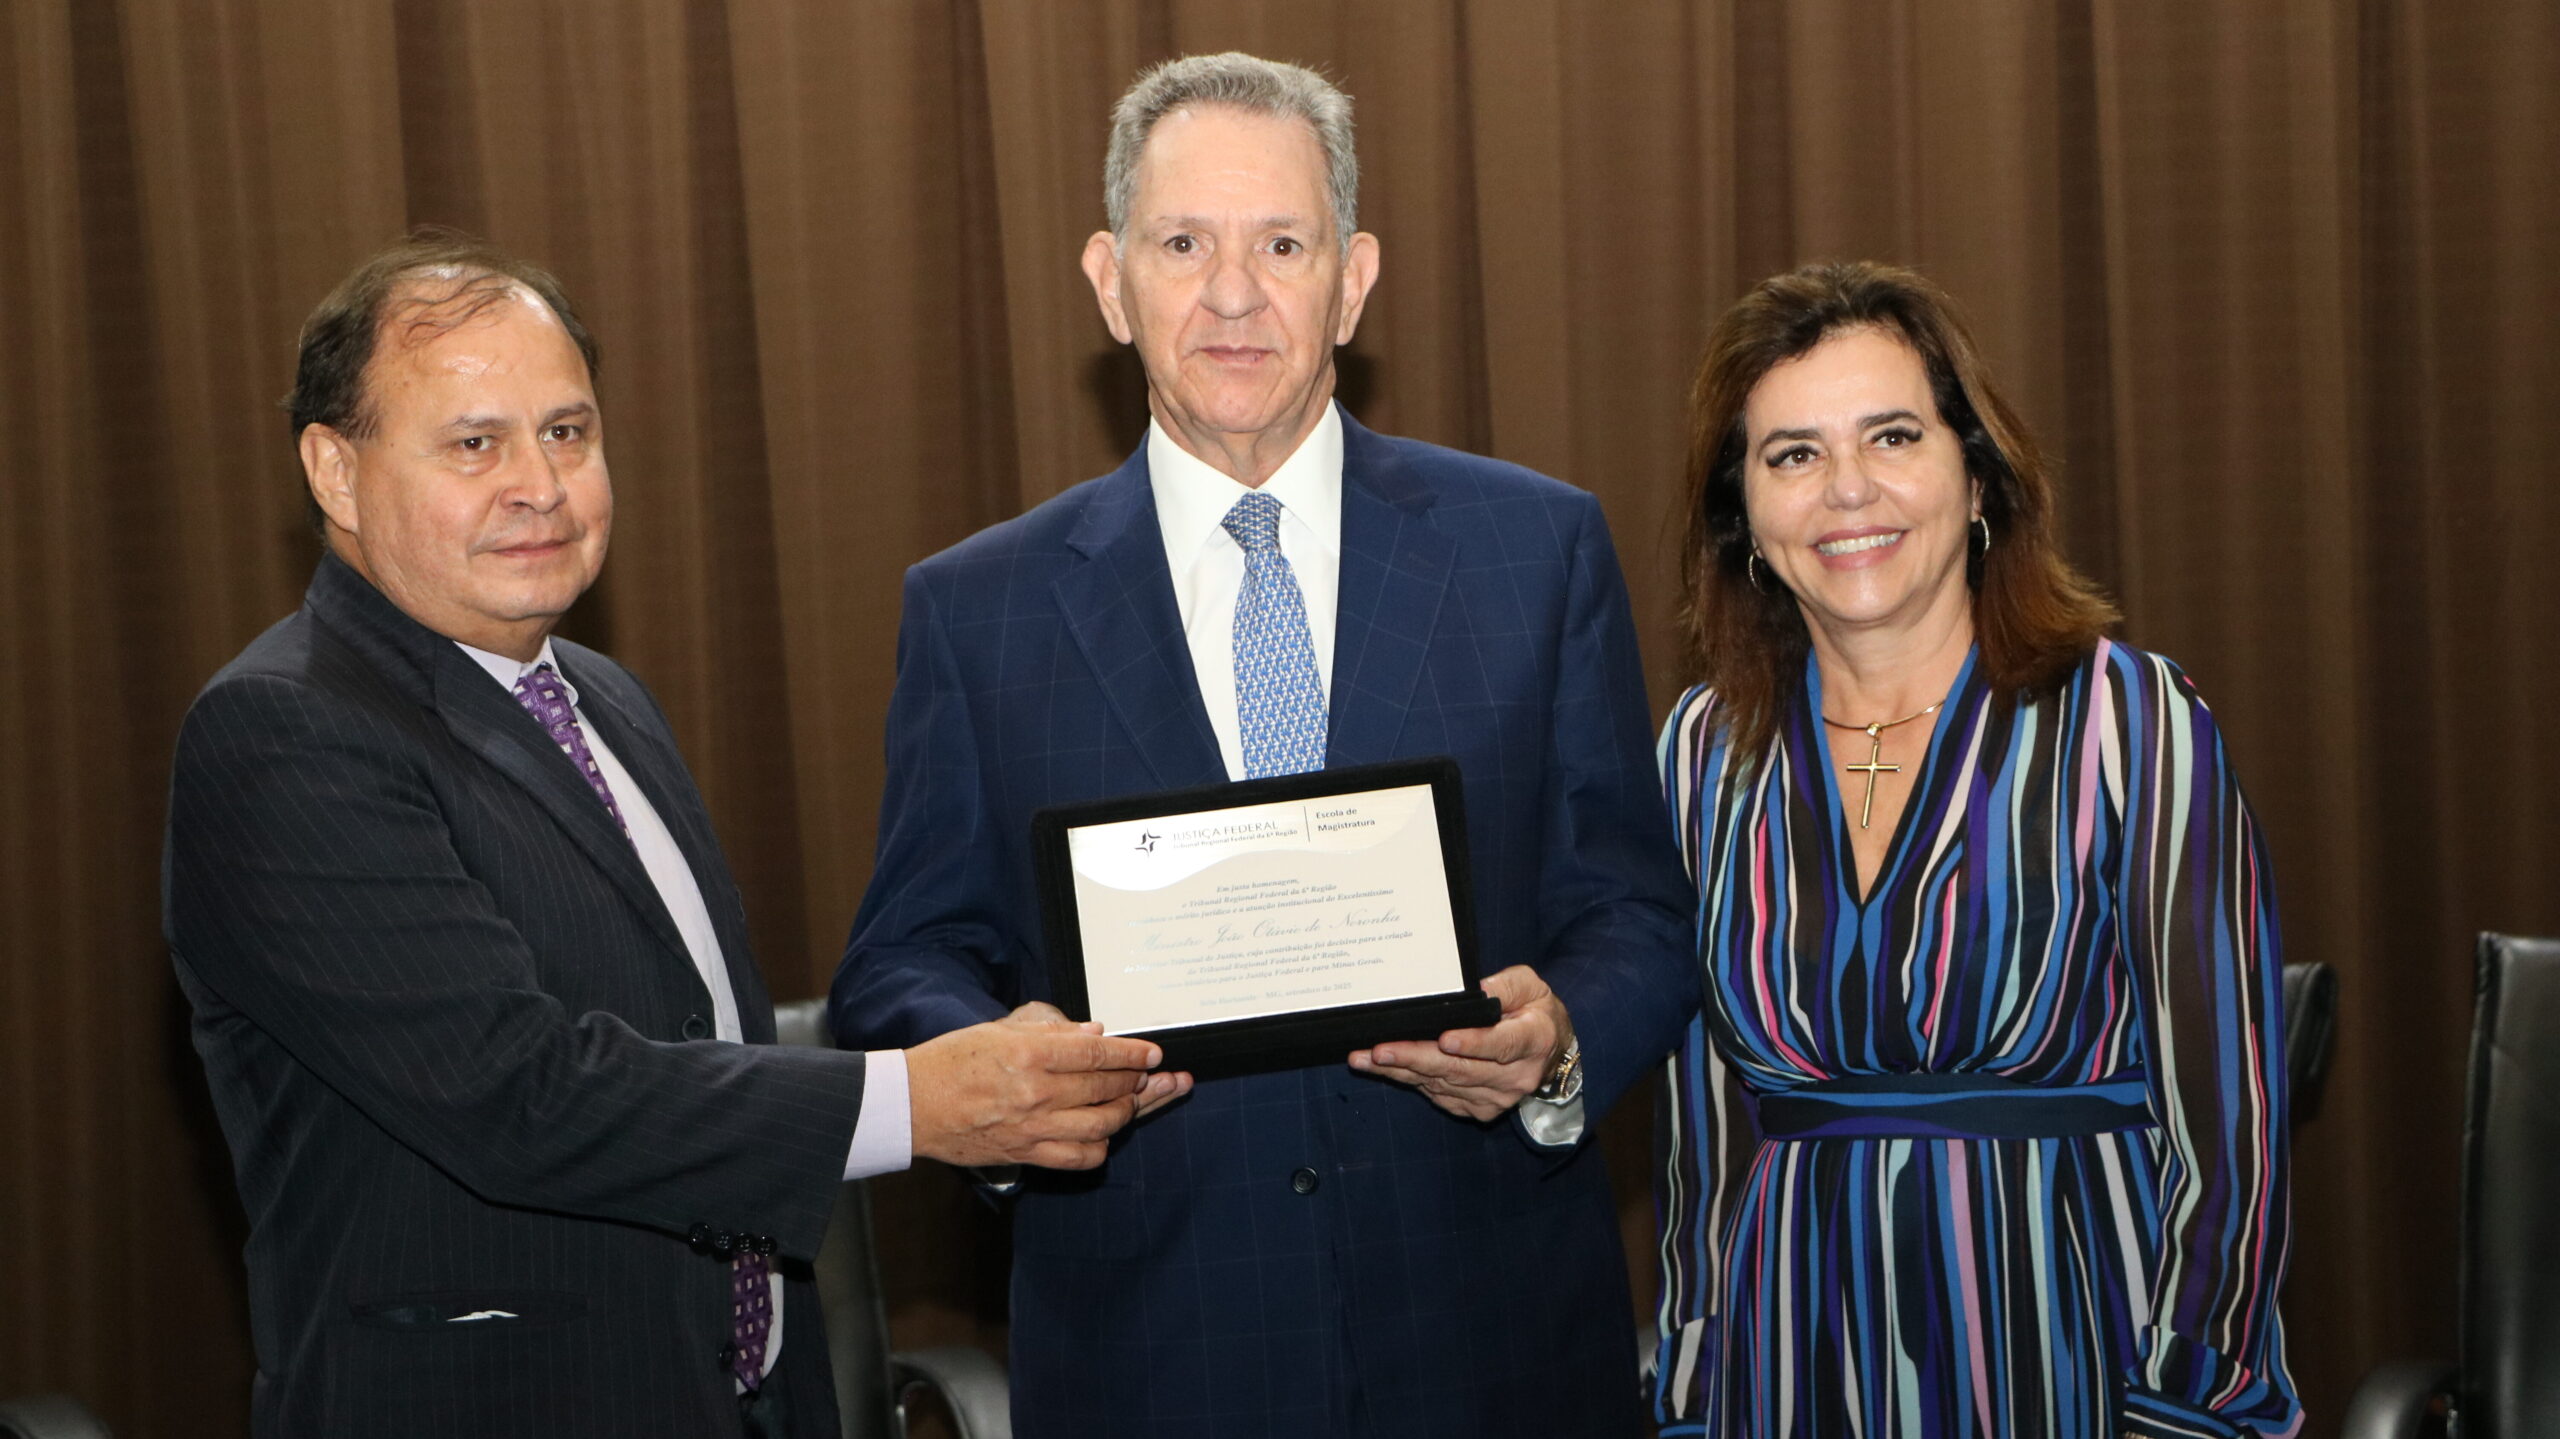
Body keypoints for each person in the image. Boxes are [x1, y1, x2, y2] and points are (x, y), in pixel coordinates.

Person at [164, 233, 1163, 1439]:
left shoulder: (602, 699)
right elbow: (518, 1094)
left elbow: (697, 1044)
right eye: (475, 443)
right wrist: (917, 1100)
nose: (540, 483)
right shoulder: (282, 731)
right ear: (334, 470)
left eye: (568, 431)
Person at [830, 53, 1694, 1439]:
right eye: (1185, 244)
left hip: (1495, 1349)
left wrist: (1562, 1036)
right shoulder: (977, 607)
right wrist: (1005, 1070)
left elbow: (1638, 908)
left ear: (1352, 279)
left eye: (1280, 243)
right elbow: (900, 954)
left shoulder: (1535, 549)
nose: (1234, 292)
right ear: (1111, 282)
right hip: (1153, 1355)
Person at [1649, 260, 2302, 1438]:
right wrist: (1693, 1388)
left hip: (2070, 1355)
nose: (1847, 490)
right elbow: (1699, 1124)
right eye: (1791, 454)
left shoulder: (2129, 722)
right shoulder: (1703, 752)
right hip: (1786, 1360)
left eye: (1891, 435)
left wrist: (2194, 1404)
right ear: (1741, 513)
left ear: (1977, 473)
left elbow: (2230, 1125)